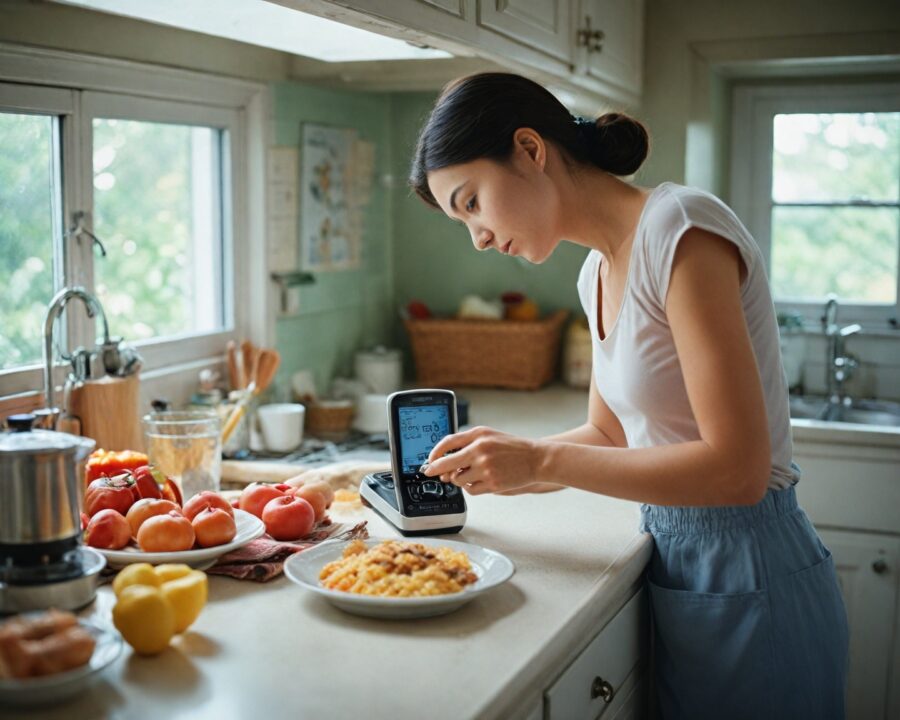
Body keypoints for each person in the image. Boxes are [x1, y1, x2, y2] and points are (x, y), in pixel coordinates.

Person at [410, 73, 848, 720]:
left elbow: (739, 470)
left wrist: (540, 462)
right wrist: (507, 461)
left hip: (753, 576)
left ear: (530, 150)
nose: (476, 235)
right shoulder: (597, 272)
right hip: (681, 568)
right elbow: (610, 436)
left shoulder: (681, 228)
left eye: (472, 202)